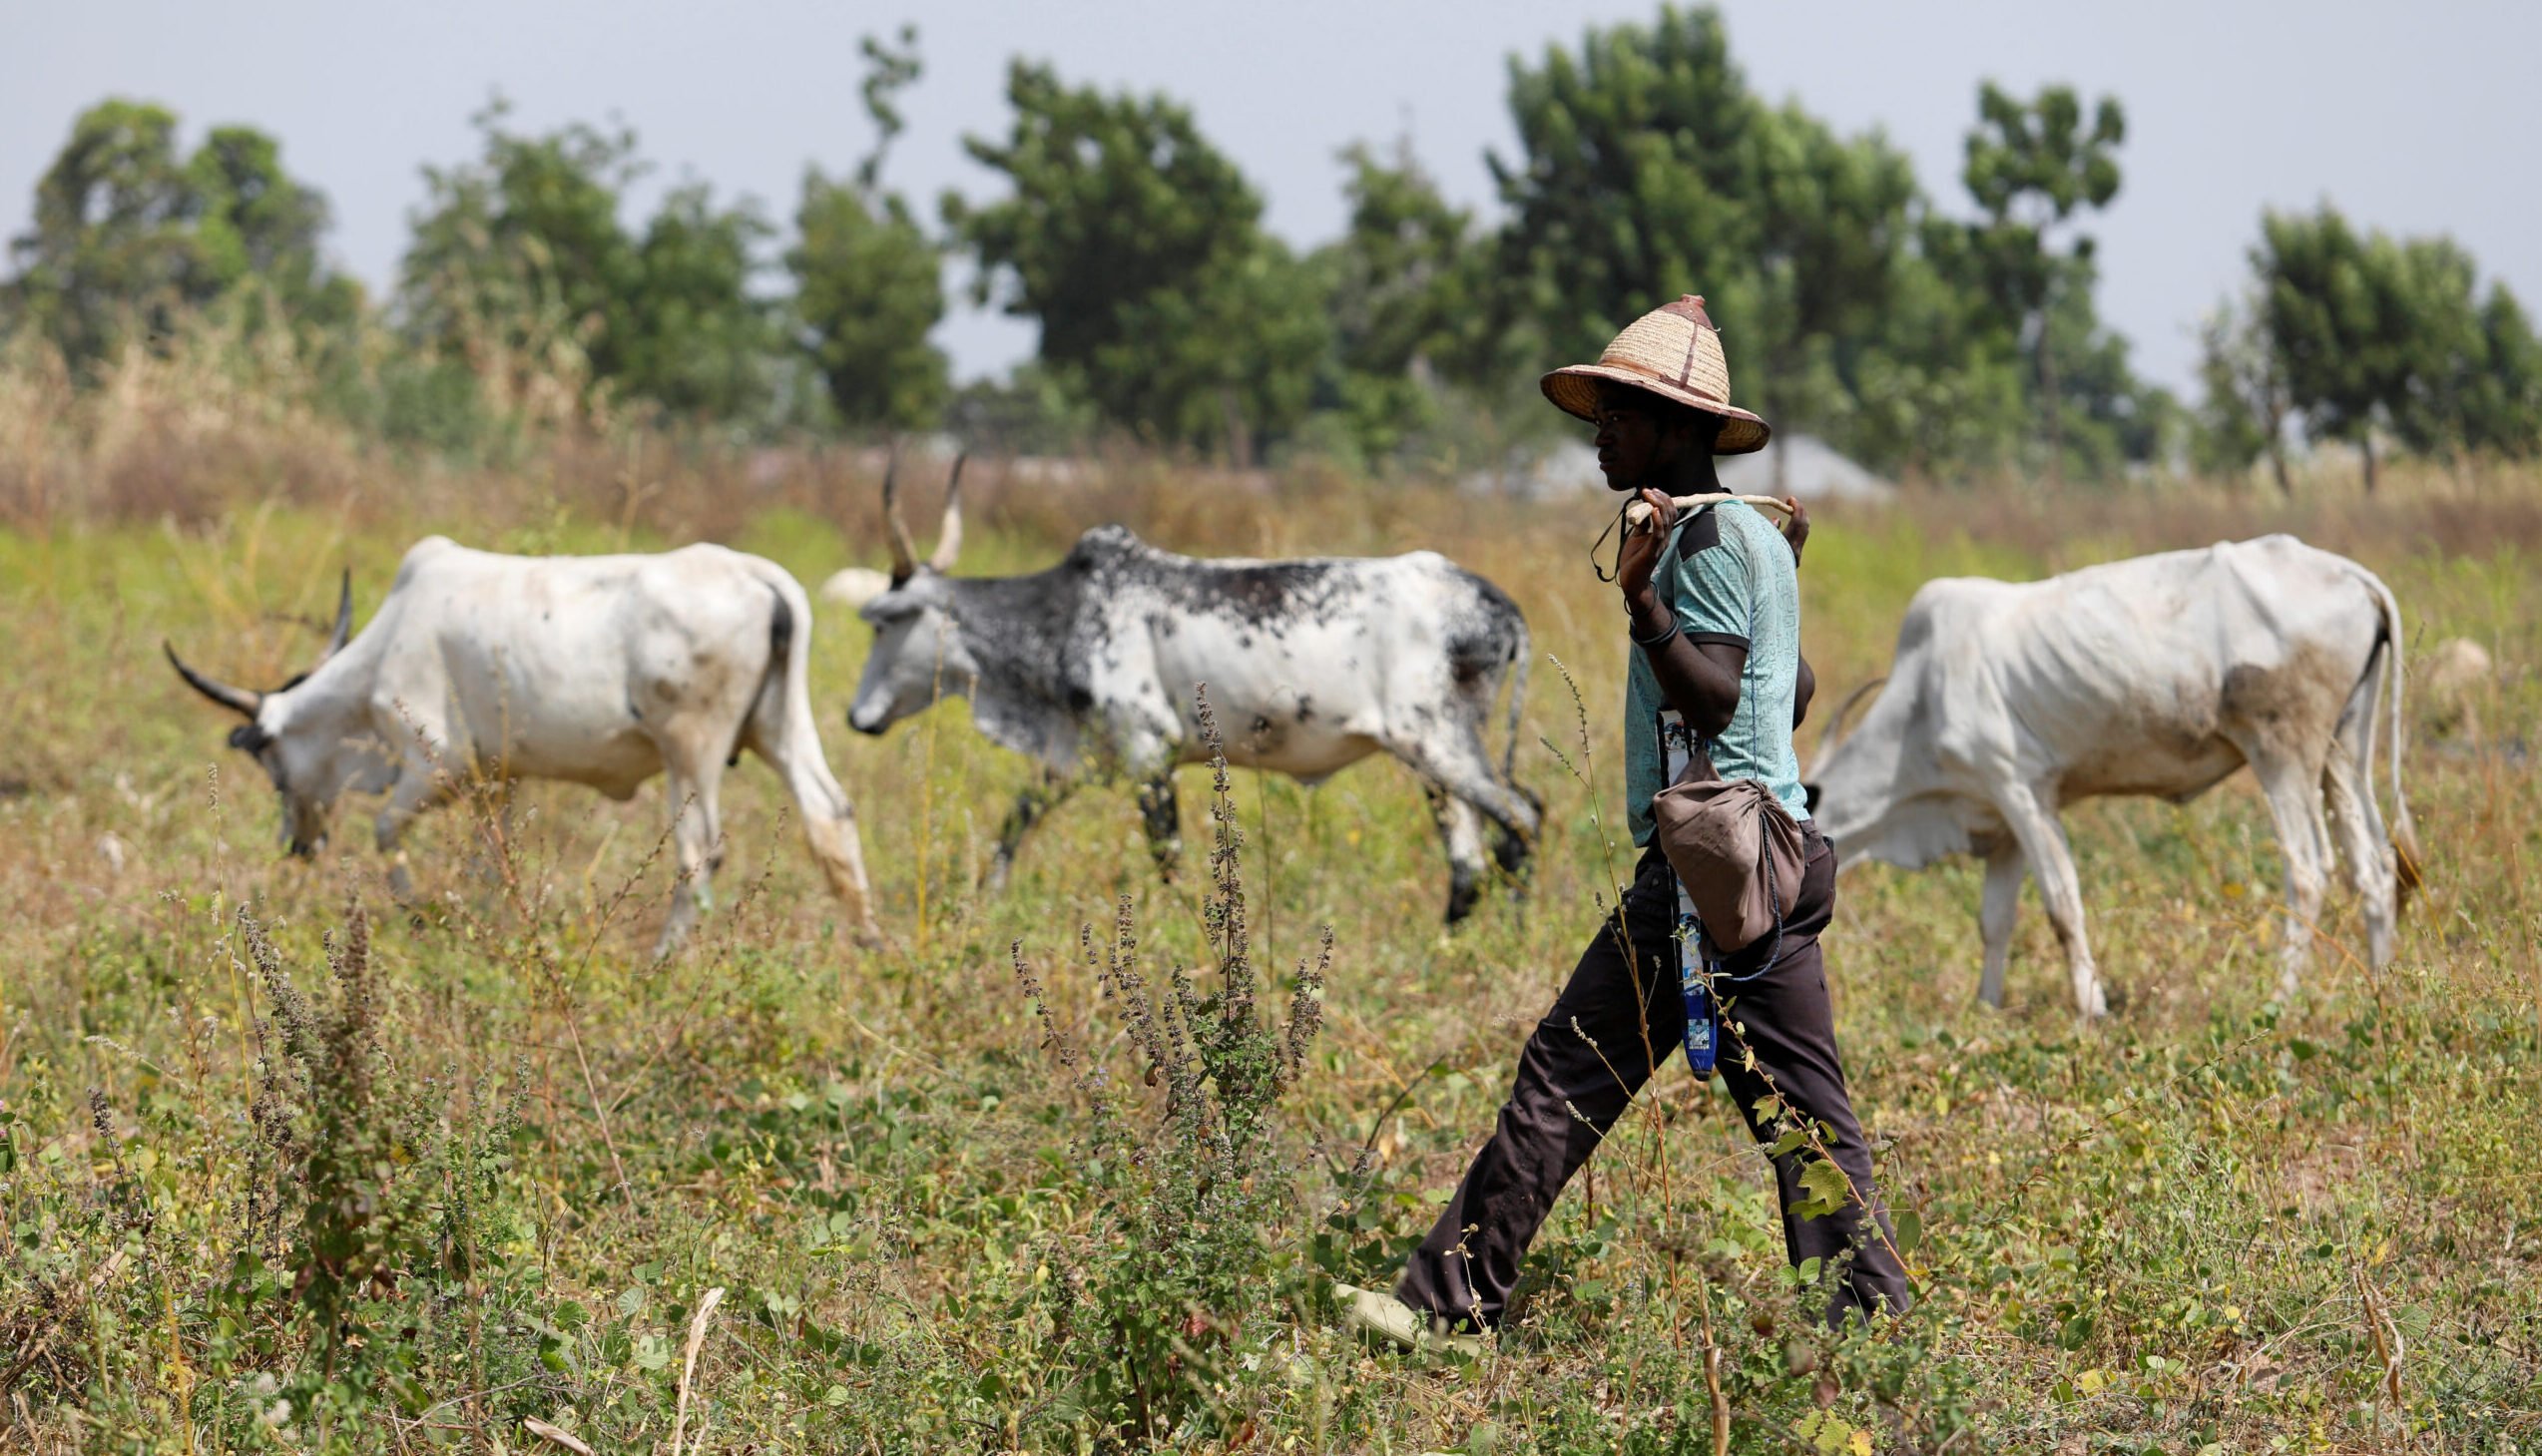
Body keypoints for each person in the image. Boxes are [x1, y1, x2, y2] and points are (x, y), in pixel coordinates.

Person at [1339, 295, 1911, 1354]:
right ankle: (1874, 1334)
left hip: (1717, 869)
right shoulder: (1753, 533)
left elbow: (1719, 703)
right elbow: (1790, 694)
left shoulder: (1701, 544)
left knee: (1566, 1071)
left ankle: (1445, 1308)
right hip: (1770, 860)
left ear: (1668, 422)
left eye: (1615, 417)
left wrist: (1648, 606)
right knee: (1801, 1118)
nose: (1597, 436)